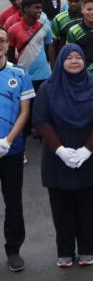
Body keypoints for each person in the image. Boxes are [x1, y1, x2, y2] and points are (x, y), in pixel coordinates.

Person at [32, 44, 93, 268]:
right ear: (60, 62)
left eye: (79, 57)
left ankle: (87, 249)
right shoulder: (48, 88)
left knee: (88, 206)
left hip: (89, 156)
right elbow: (40, 121)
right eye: (69, 58)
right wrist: (60, 150)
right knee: (61, 208)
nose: (75, 61)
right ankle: (65, 250)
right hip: (57, 158)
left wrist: (87, 149)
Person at [0, 26, 35, 272]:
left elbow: (25, 111)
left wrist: (8, 140)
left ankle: (13, 249)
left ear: (7, 44)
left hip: (10, 150)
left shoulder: (20, 74)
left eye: (1, 40)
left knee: (13, 202)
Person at [7, 0, 52, 91]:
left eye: (40, 8)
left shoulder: (46, 28)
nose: (40, 10)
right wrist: (16, 71)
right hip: (22, 75)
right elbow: (10, 54)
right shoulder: (13, 30)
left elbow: (48, 50)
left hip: (43, 76)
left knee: (40, 105)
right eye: (36, 8)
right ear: (26, 9)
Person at [49, 0, 84, 65]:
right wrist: (53, 67)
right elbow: (52, 44)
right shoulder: (59, 19)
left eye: (76, 1)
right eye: (70, 1)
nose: (73, 4)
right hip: (65, 60)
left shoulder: (88, 16)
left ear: (82, 0)